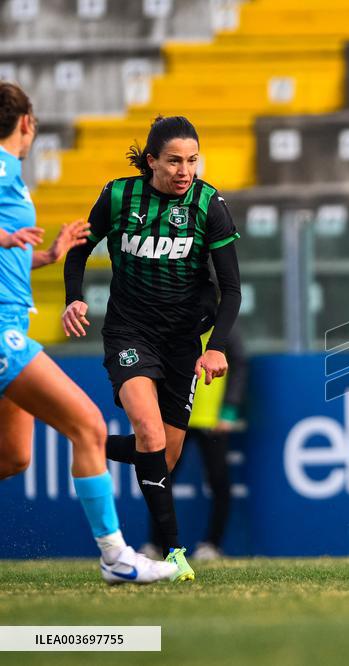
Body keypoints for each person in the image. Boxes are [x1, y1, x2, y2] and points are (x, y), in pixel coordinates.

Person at [0, 81, 176, 584]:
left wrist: (47, 256)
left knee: (12, 456)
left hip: (11, 322)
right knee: (89, 427)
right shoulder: (2, 165)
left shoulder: (11, 174)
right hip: (3, 334)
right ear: (27, 123)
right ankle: (117, 558)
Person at [62, 115, 242, 582]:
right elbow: (81, 248)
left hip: (183, 341)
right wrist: (74, 297)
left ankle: (92, 442)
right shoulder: (119, 195)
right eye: (175, 161)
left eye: (193, 160)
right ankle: (174, 555)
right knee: (149, 431)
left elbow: (232, 289)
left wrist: (215, 347)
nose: (186, 170)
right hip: (129, 333)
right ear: (152, 161)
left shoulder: (210, 204)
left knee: (164, 455)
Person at [145, 322, 247, 561]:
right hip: (177, 417)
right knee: (161, 478)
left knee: (219, 482)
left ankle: (212, 544)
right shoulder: (177, 322)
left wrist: (229, 410)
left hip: (212, 420)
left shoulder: (224, 329)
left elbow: (240, 366)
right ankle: (154, 544)